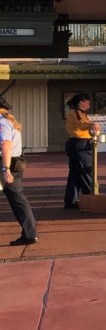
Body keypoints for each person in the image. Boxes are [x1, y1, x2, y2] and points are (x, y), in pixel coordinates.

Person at [1, 96, 37, 246]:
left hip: (6, 163)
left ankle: (29, 234)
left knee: (18, 200)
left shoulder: (2, 123)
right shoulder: (9, 122)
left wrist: (5, 168)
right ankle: (30, 234)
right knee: (18, 200)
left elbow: (5, 145)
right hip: (15, 163)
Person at [63, 93, 96, 208]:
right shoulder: (76, 113)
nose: (89, 104)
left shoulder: (80, 113)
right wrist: (93, 125)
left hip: (78, 144)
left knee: (75, 174)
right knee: (86, 171)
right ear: (81, 102)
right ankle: (90, 197)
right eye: (87, 102)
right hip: (80, 144)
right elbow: (80, 124)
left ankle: (71, 200)